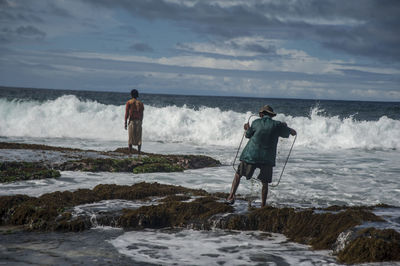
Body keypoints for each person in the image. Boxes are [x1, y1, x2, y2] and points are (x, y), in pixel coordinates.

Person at [226, 105, 296, 207]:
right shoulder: (277, 125)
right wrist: (286, 127)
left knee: (238, 174)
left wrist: (247, 128)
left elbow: (248, 135)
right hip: (267, 158)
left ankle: (231, 197)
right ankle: (263, 205)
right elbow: (292, 133)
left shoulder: (256, 122)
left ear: (261, 114)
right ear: (271, 116)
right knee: (265, 183)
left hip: (251, 155)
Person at [124, 89, 144, 155]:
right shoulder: (141, 103)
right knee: (139, 138)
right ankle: (139, 153)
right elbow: (141, 114)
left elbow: (127, 113)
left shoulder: (129, 102)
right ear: (137, 95)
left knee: (130, 138)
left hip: (132, 121)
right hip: (138, 121)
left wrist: (125, 122)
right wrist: (141, 121)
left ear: (131, 95)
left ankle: (130, 153)